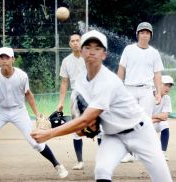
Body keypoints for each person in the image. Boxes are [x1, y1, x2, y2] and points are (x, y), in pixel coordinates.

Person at [31, 30, 172, 182]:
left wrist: (50, 133)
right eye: (88, 47)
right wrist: (85, 131)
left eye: (97, 48)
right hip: (113, 136)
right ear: (81, 51)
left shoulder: (108, 81)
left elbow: (85, 119)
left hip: (141, 132)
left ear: (104, 55)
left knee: (163, 179)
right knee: (102, 170)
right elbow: (81, 129)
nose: (92, 52)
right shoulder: (80, 84)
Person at [0, 47, 68, 180]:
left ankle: (58, 165)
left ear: (13, 59)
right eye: (2, 57)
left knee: (35, 142)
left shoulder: (21, 76)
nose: (4, 60)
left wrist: (37, 114)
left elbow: (28, 94)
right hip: (0, 111)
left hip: (19, 111)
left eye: (7, 57)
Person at [117, 22, 164, 163]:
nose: (144, 35)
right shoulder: (128, 49)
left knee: (144, 122)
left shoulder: (154, 53)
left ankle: (143, 153)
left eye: (147, 33)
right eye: (142, 32)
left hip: (146, 90)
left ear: (150, 36)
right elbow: (121, 69)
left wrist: (159, 92)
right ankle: (127, 153)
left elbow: (157, 74)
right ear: (138, 34)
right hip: (129, 88)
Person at [57, 33, 86, 170]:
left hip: (91, 93)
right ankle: (80, 161)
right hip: (75, 94)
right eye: (72, 41)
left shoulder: (89, 56)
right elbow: (64, 83)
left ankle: (103, 159)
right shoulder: (66, 61)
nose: (75, 43)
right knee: (76, 128)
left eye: (77, 40)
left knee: (99, 128)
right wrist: (61, 102)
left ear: (82, 42)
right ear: (70, 44)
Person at [152, 75, 174, 161]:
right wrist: (158, 116)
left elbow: (165, 116)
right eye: (165, 85)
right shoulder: (147, 95)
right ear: (158, 84)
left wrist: (152, 119)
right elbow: (142, 115)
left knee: (164, 123)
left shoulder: (167, 98)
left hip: (153, 123)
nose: (167, 88)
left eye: (169, 86)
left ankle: (162, 153)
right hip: (143, 125)